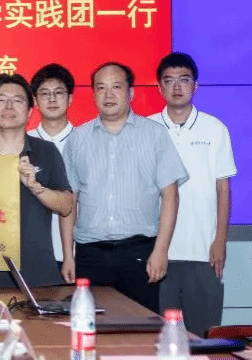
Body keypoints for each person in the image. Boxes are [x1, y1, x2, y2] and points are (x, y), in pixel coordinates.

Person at [60, 62, 188, 313]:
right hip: (90, 255)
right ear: (93, 94)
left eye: (116, 87)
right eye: (101, 88)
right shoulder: (78, 138)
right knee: (92, 325)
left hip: (139, 253)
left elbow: (170, 196)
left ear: (130, 93)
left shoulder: (154, 135)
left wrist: (161, 250)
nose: (108, 95)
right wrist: (68, 255)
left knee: (140, 325)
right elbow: (69, 200)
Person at [150, 52, 236, 336]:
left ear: (195, 86)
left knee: (204, 336)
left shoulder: (215, 129)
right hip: (157, 253)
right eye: (169, 81)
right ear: (159, 87)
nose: (177, 87)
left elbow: (223, 190)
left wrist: (220, 241)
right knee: (156, 339)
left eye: (184, 80)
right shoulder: (146, 128)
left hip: (203, 251)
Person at [0, 74, 73, 288]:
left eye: (17, 100)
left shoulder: (46, 151)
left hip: (39, 273)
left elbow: (66, 206)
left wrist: (36, 187)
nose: (9, 106)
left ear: (30, 111)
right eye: (1, 99)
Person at [28, 63, 75, 269]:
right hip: (34, 250)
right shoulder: (24, 144)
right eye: (45, 94)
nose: (52, 99)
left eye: (59, 93)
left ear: (70, 98)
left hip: (80, 250)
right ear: (35, 101)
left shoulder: (85, 141)